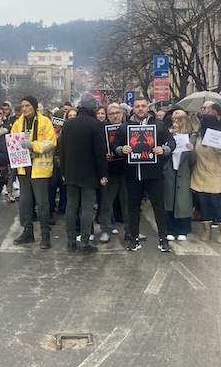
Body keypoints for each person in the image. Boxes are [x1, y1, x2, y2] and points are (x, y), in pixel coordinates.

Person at [112, 96, 176, 252]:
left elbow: (171, 142)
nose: (140, 108)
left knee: (159, 207)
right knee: (133, 208)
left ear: (148, 108)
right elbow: (114, 144)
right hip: (133, 175)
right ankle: (134, 239)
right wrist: (121, 149)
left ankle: (163, 240)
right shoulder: (125, 127)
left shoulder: (159, 126)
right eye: (137, 106)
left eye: (143, 106)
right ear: (133, 109)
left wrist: (164, 149)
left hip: (154, 174)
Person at [59, 92, 109, 253]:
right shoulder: (96, 125)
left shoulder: (68, 124)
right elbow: (100, 153)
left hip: (71, 173)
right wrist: (103, 174)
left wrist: (63, 171)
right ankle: (85, 243)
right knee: (87, 208)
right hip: (89, 174)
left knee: (71, 206)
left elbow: (62, 150)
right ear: (93, 108)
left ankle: (71, 241)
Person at [11, 95, 57, 249]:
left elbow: (51, 142)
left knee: (42, 203)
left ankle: (45, 234)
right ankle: (28, 232)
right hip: (24, 168)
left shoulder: (45, 122)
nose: (24, 109)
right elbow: (13, 142)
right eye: (22, 106)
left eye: (27, 106)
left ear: (35, 107)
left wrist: (33, 145)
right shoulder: (18, 123)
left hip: (40, 169)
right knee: (25, 202)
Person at [191, 113, 221, 243]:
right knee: (203, 205)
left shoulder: (219, 137)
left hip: (214, 175)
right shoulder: (198, 137)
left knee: (216, 204)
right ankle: (207, 231)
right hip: (199, 174)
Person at [98, 103, 131, 242]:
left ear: (122, 113)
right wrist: (103, 156)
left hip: (127, 170)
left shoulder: (129, 127)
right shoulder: (101, 129)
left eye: (117, 112)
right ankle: (106, 230)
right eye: (112, 113)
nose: (115, 116)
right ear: (107, 115)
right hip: (110, 171)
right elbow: (96, 148)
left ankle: (131, 231)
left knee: (128, 203)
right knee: (106, 203)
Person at [164, 111, 196, 241]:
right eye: (174, 122)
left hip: (184, 173)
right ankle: (170, 229)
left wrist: (192, 150)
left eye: (178, 122)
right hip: (170, 171)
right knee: (169, 201)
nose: (175, 124)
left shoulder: (191, 139)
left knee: (183, 202)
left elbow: (193, 161)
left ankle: (183, 229)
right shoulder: (169, 137)